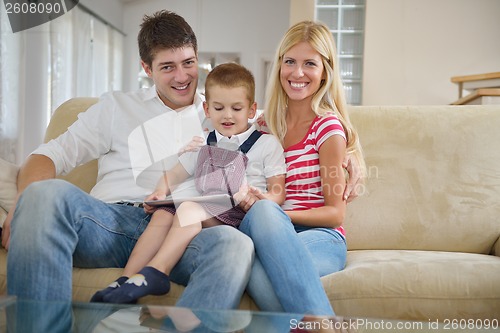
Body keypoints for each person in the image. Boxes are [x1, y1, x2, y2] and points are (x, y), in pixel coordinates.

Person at [2, 10, 255, 309]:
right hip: (109, 223)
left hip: (179, 233)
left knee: (236, 245)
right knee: (43, 194)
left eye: (188, 63)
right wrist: (25, 200)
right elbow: (49, 155)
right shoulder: (115, 107)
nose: (182, 76)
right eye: (167, 67)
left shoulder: (225, 114)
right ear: (146, 68)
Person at [91, 63, 286, 304]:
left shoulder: (266, 145)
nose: (227, 115)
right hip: (203, 211)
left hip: (238, 216)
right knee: (163, 214)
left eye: (236, 108)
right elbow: (173, 174)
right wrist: (159, 192)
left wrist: (263, 199)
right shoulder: (203, 142)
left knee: (188, 208)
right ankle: (127, 281)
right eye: (218, 107)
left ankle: (158, 271)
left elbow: (278, 191)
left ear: (251, 110)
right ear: (206, 108)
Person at [238, 20, 366, 315]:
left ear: (325, 73)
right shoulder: (263, 126)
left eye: (310, 63)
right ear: (279, 65)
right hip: (267, 234)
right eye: (290, 62)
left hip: (320, 236)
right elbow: (217, 115)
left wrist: (276, 216)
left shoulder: (328, 128)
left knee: (261, 246)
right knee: (252, 264)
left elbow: (335, 213)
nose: (297, 73)